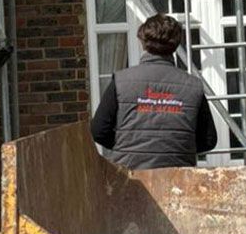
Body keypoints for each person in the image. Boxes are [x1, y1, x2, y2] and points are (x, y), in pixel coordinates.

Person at [90, 13, 217, 170]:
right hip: (179, 176)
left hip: (130, 176)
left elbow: (98, 131)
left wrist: (127, 147)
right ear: (176, 45)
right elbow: (208, 140)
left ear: (143, 42)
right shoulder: (193, 86)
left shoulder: (121, 80)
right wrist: (178, 149)